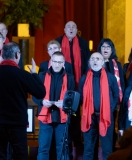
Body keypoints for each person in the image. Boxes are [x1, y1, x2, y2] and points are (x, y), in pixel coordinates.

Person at [0, 42, 46, 159]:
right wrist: (35, 74)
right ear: (16, 55)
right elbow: (41, 92)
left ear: (3, 55)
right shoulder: (22, 74)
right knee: (19, 156)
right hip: (17, 125)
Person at [33, 51, 75, 160]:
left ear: (63, 63)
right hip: (45, 116)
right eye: (55, 61)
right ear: (51, 61)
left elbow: (73, 98)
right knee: (43, 148)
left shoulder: (69, 77)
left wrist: (65, 103)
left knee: (61, 148)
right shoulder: (42, 75)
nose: (57, 64)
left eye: (60, 62)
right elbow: (34, 95)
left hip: (62, 117)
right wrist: (42, 101)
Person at [78, 52, 119, 160]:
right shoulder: (84, 78)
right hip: (89, 118)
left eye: (98, 59)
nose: (95, 61)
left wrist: (110, 108)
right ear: (89, 62)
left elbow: (116, 95)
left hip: (105, 117)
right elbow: (80, 97)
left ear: (102, 62)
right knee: (88, 149)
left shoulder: (110, 77)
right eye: (92, 59)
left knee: (107, 149)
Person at [56, 21, 90, 151]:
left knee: (75, 114)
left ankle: (77, 140)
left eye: (73, 27)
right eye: (68, 27)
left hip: (78, 84)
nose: (71, 29)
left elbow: (87, 62)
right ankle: (65, 141)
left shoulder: (83, 43)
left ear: (77, 29)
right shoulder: (58, 41)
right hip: (62, 85)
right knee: (64, 113)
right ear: (64, 29)